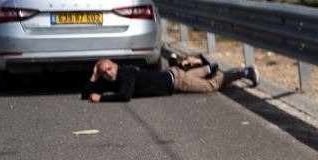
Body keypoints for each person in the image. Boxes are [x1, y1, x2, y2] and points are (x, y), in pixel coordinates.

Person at [81, 56, 258, 103]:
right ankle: (207, 68)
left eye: (109, 69)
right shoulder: (110, 78)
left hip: (177, 83)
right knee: (198, 75)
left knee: (211, 86)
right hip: (173, 73)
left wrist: (102, 98)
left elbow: (125, 95)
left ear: (115, 65)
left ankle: (244, 73)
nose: (108, 74)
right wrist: (94, 74)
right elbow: (85, 93)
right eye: (104, 73)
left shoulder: (126, 74)